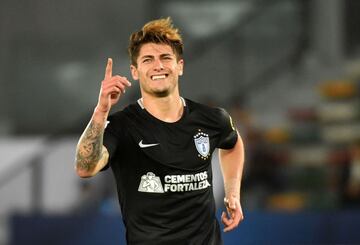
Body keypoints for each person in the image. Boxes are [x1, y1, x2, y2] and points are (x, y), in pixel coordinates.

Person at [75, 17, 245, 245]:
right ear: (135, 71)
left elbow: (232, 143)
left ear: (180, 66)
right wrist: (101, 110)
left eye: (166, 57)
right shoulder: (122, 126)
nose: (158, 66)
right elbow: (85, 168)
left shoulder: (212, 119)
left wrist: (232, 193)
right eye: (148, 60)